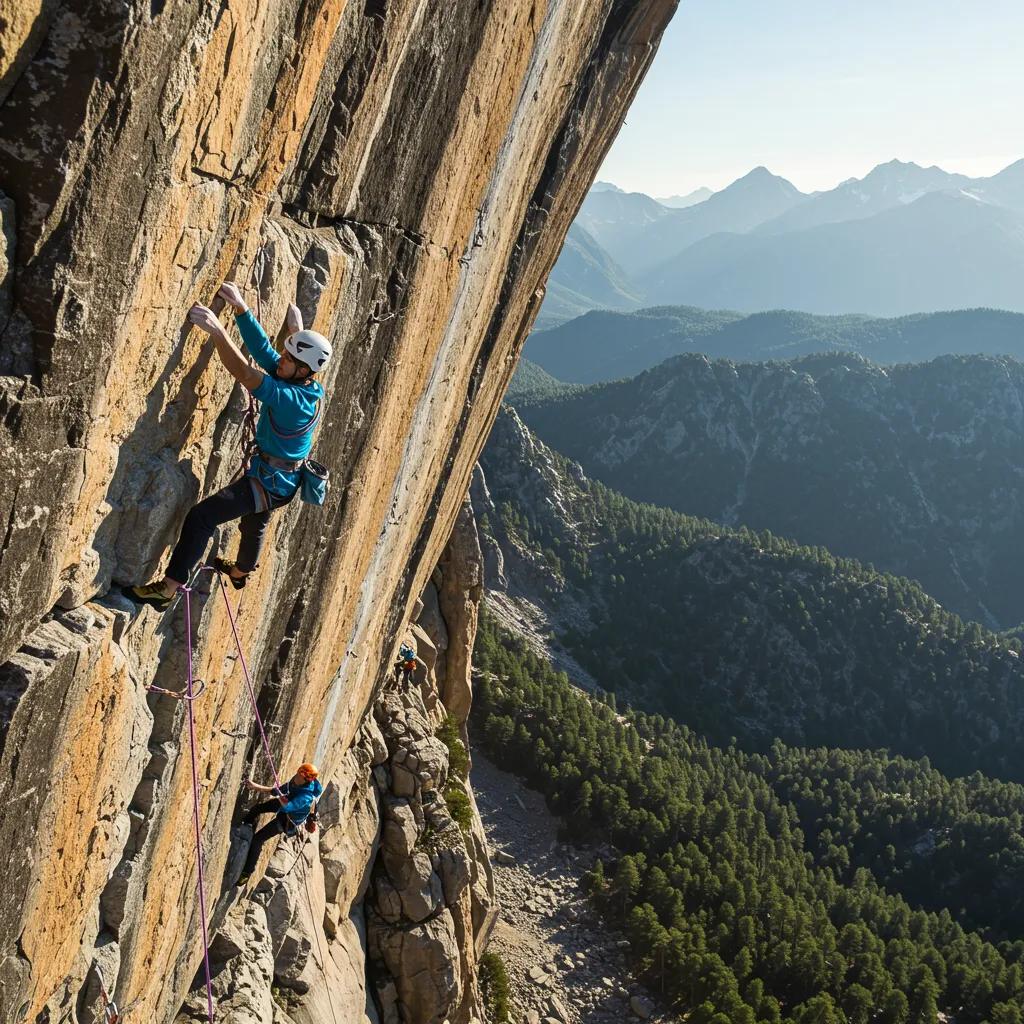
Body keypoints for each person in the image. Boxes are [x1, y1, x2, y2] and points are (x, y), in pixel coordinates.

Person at [123, 281, 332, 610]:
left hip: (269, 482)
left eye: (288, 358)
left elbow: (245, 373)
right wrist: (241, 309)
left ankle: (168, 588)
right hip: (280, 480)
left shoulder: (294, 400)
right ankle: (240, 572)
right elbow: (264, 352)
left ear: (303, 369)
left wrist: (218, 332)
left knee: (202, 517)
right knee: (254, 522)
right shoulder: (304, 385)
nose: (280, 360)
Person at [237, 762, 323, 883]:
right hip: (287, 801)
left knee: (258, 839)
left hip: (286, 820)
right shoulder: (297, 780)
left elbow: (288, 807)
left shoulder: (305, 797)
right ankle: (246, 824)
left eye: (299, 775)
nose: (296, 776)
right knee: (258, 808)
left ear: (305, 779)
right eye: (298, 773)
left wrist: (280, 797)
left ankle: (247, 873)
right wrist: (254, 786)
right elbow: (276, 791)